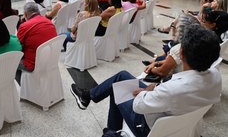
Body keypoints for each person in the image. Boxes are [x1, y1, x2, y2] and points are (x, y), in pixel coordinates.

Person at [70, 24, 221, 137]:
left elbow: (138, 106)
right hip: (184, 123)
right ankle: (88, 96)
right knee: (122, 76)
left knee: (118, 89)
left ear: (181, 53)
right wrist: (153, 88)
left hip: (148, 127)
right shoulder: (216, 76)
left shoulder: (173, 89)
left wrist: (145, 91)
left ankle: (112, 131)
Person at [17, 2, 57, 73]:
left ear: (25, 14)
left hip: (33, 64)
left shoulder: (24, 26)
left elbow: (17, 46)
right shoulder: (49, 22)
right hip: (50, 60)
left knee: (11, 63)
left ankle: (22, 83)